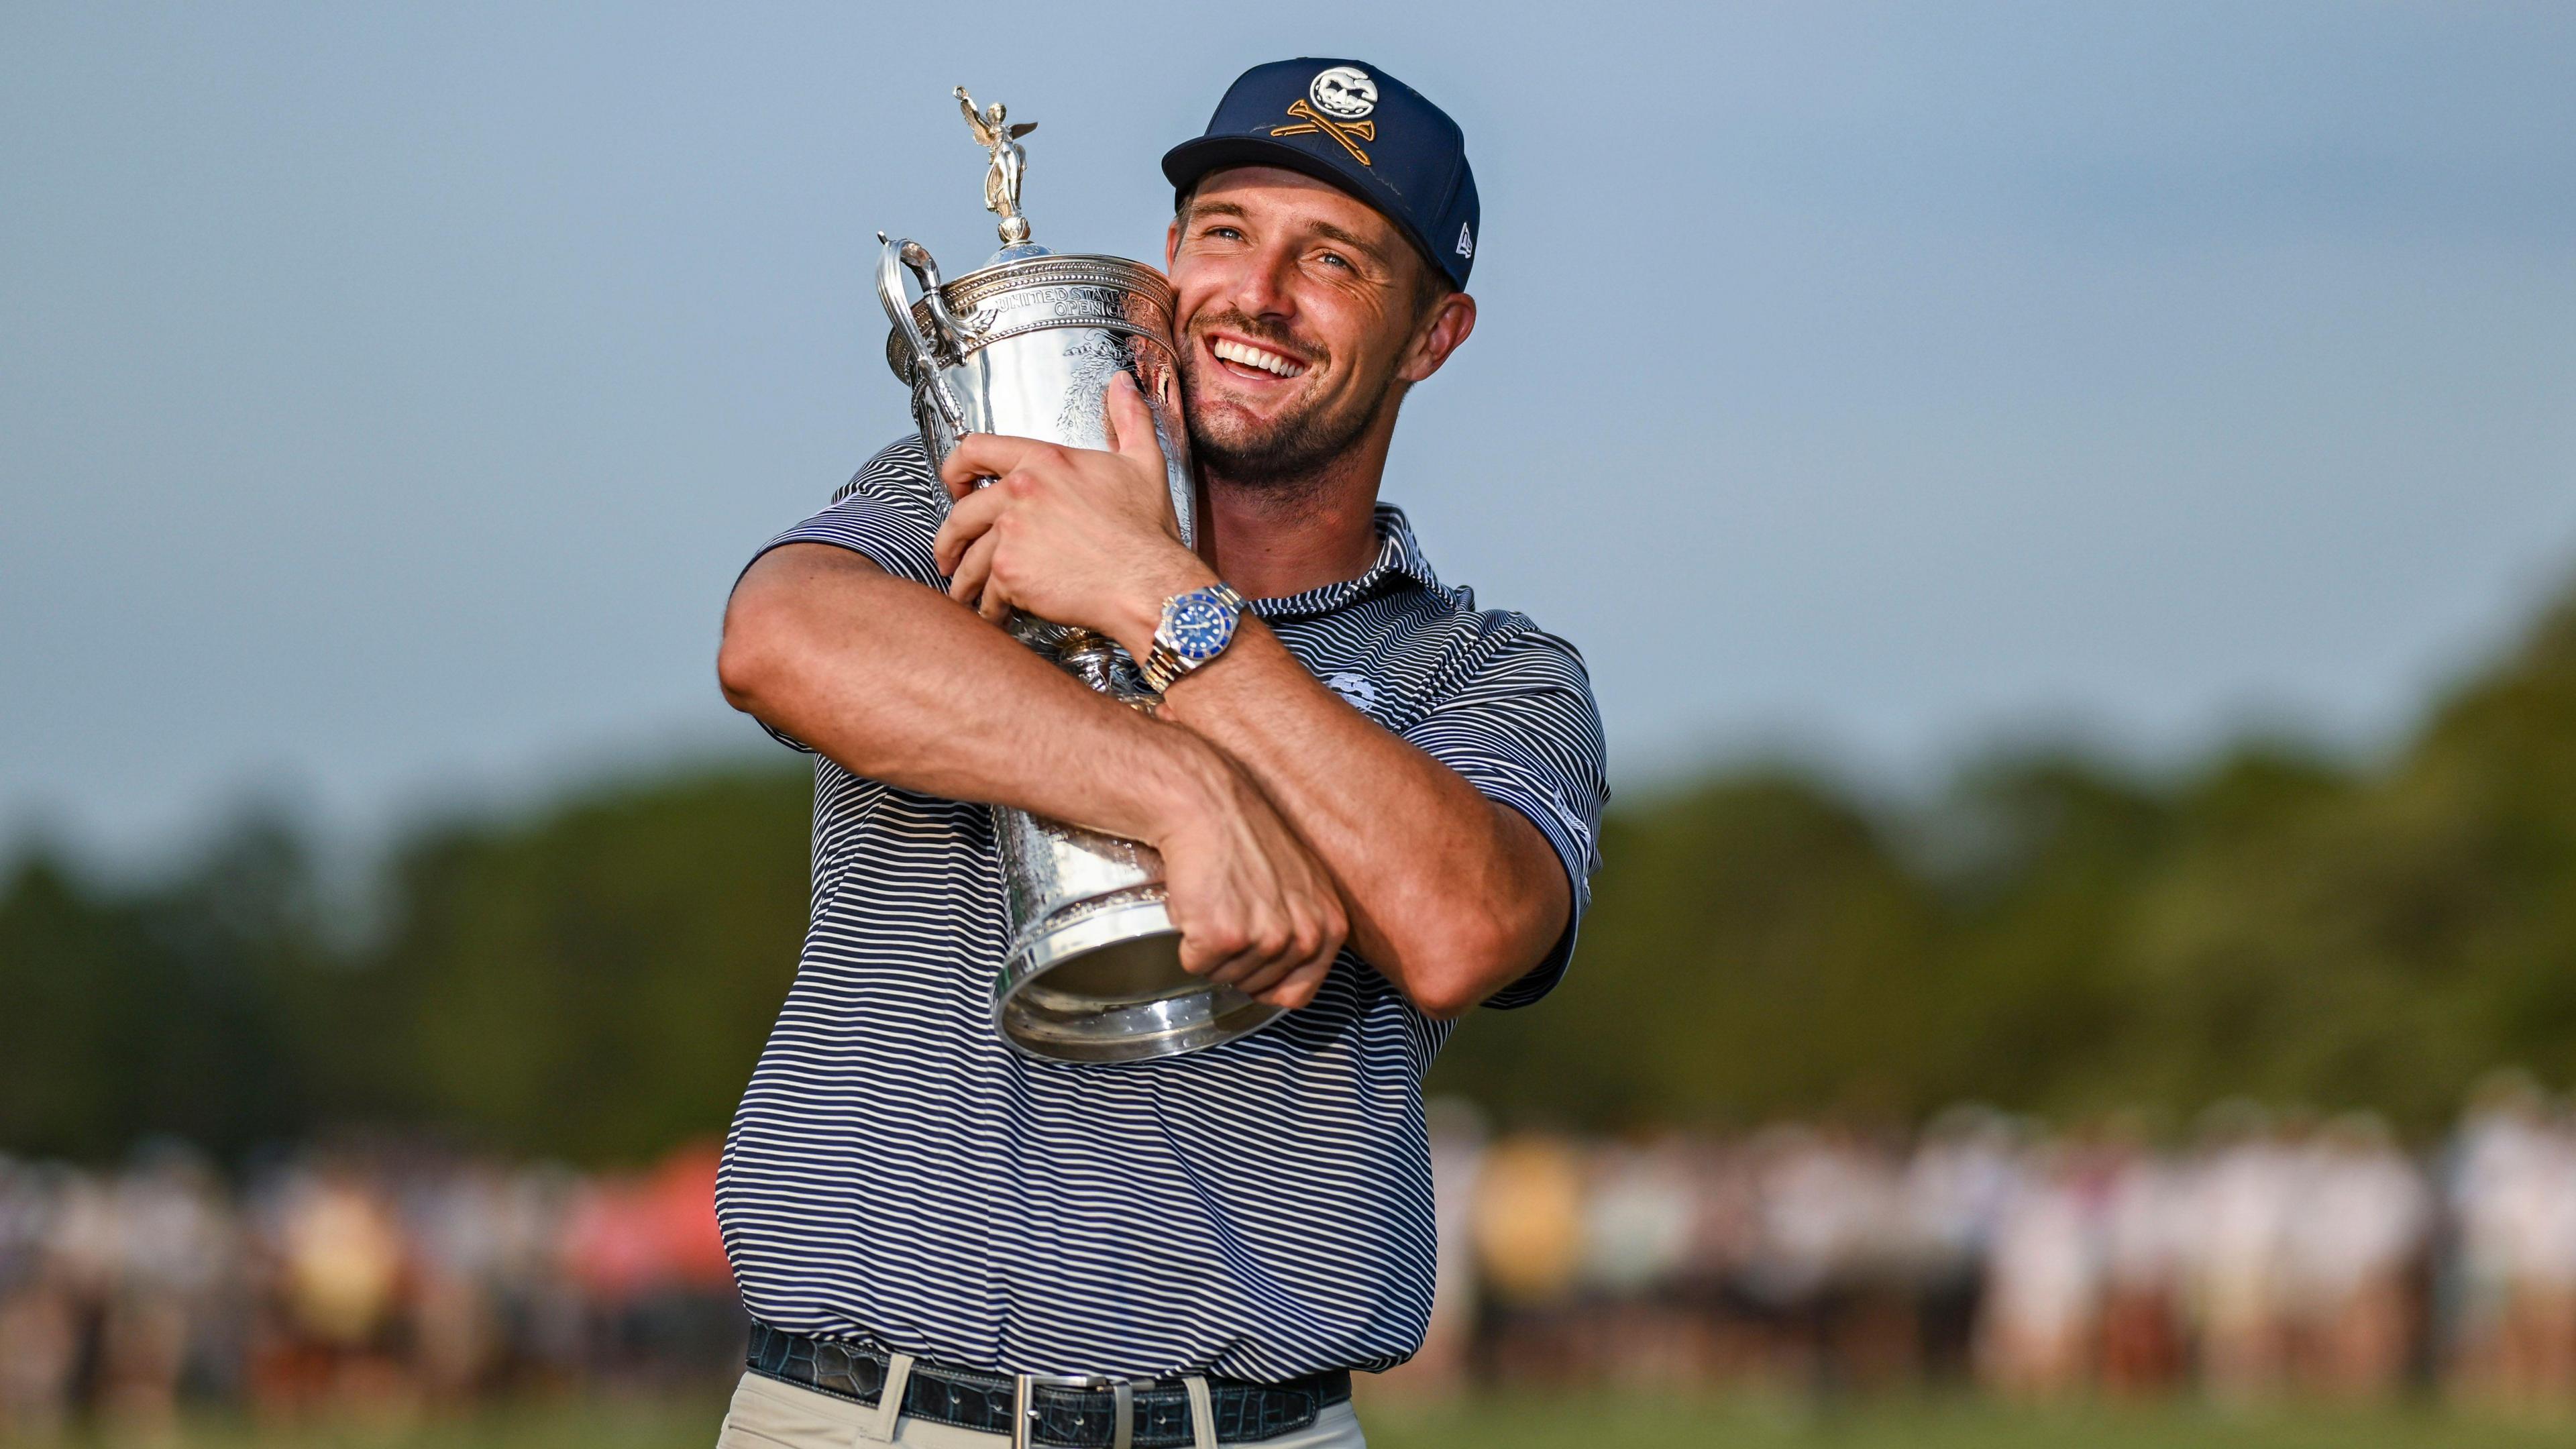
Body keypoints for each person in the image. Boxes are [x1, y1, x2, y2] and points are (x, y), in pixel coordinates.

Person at [712, 58, 1607, 1449]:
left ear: (1435, 335)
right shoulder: (983, 479)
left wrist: (1158, 602)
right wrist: (1178, 789)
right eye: (1227, 233)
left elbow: (1462, 922)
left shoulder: (1490, 671)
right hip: (864, 1419)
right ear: (1170, 260)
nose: (1259, 293)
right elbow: (783, 640)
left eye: (1333, 260)